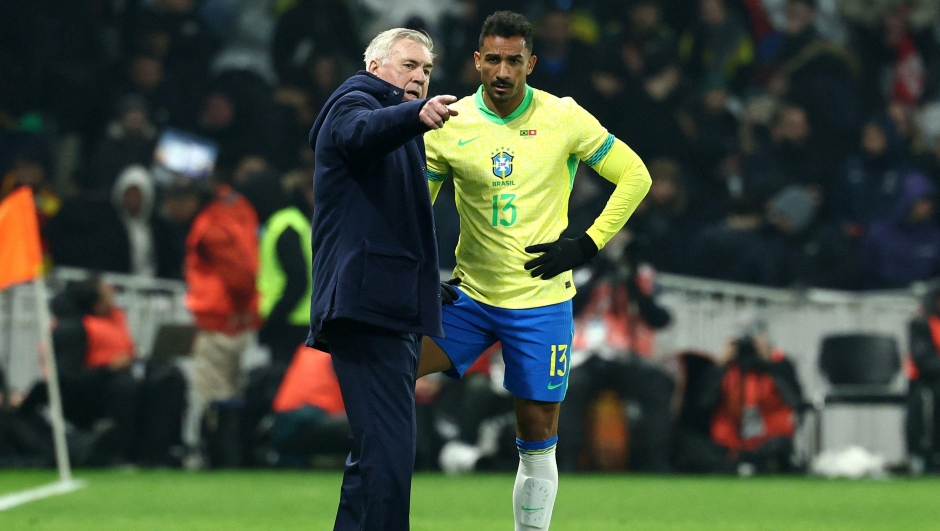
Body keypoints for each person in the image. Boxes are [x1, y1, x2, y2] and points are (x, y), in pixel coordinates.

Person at [419, 12, 651, 530]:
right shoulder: (449, 123)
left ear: (531, 63)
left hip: (541, 302)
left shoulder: (564, 116)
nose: (503, 71)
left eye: (514, 60)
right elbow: (416, 208)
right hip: (470, 299)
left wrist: (586, 245)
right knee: (391, 372)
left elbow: (635, 175)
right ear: (477, 61)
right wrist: (417, 271)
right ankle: (380, 503)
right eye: (494, 59)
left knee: (538, 433)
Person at [305, 28, 457, 531]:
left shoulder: (398, 130)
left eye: (426, 70)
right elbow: (358, 132)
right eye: (409, 65)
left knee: (374, 456)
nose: (419, 78)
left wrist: (421, 285)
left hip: (383, 304)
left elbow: (382, 224)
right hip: (370, 310)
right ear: (374, 67)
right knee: (389, 458)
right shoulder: (354, 100)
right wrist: (414, 113)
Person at [558, 230, 675, 473]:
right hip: (586, 355)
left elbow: (660, 318)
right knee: (566, 388)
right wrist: (597, 272)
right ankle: (568, 460)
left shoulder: (643, 274)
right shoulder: (579, 270)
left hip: (626, 356)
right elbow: (567, 308)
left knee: (659, 385)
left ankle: (655, 462)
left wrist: (631, 281)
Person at [184, 160, 259, 466]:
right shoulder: (241, 210)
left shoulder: (212, 223)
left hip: (219, 322)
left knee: (213, 395)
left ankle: (217, 459)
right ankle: (233, 457)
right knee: (233, 391)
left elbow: (237, 275)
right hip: (241, 321)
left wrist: (238, 308)